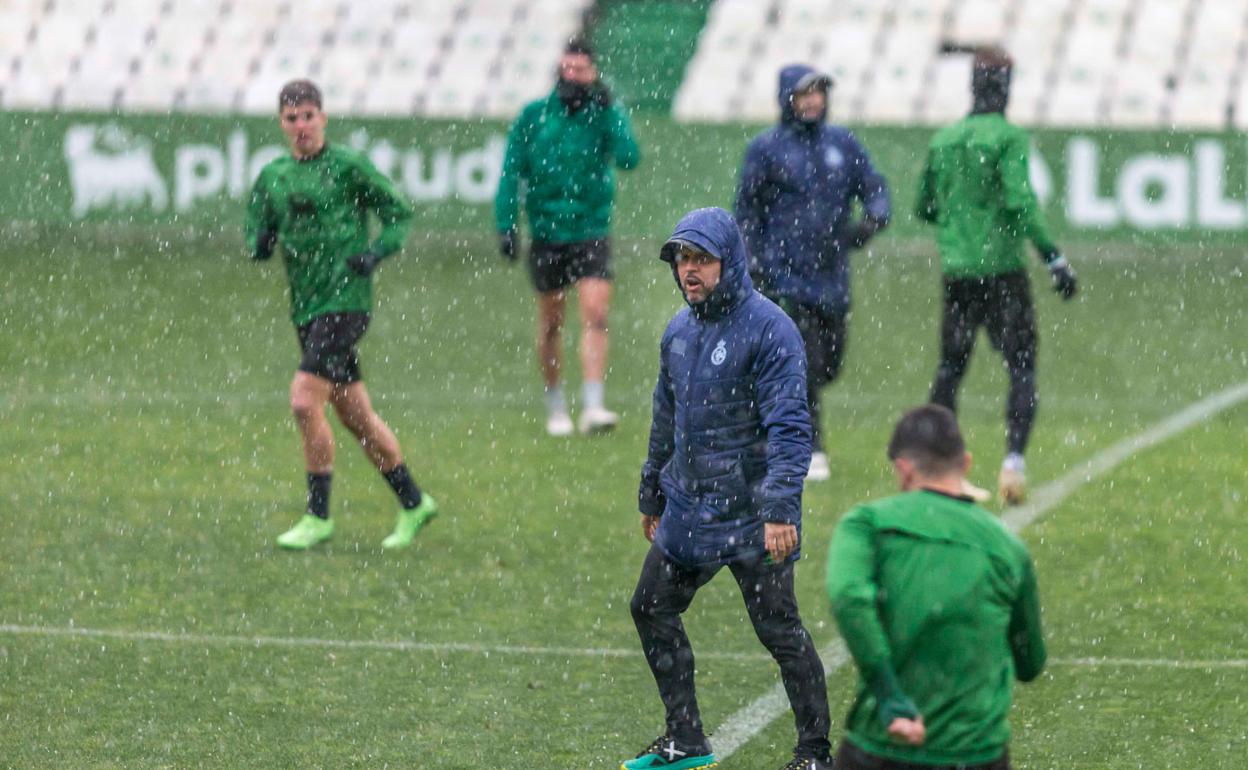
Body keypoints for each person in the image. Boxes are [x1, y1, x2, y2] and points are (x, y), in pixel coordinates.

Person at [624, 207, 832, 770]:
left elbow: (791, 429)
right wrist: (653, 493)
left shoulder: (770, 328)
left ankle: (814, 754)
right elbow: (664, 420)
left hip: (752, 515)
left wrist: (781, 509)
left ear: (729, 262)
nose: (689, 271)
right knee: (650, 606)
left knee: (779, 631)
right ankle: (685, 739)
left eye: (701, 259)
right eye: (682, 260)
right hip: (691, 509)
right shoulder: (677, 332)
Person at [245, 79, 437, 550]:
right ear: (281, 124)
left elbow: (398, 211)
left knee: (303, 402)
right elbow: (256, 229)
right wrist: (261, 242)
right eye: (292, 118)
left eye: (308, 116)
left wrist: (375, 254)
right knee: (357, 417)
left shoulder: (348, 167)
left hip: (346, 303)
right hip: (307, 308)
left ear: (323, 118)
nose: (301, 126)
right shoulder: (273, 176)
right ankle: (415, 502)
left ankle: (318, 517)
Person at [825, 404, 1046, 769]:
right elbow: (1031, 663)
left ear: (904, 468)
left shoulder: (866, 524)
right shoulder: (1008, 547)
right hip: (977, 754)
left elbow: (848, 597)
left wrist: (890, 696)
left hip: (882, 747)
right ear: (967, 463)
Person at [916, 47, 1078, 504]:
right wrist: (1054, 258)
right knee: (1022, 367)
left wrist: (959, 224)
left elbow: (923, 206)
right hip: (1003, 272)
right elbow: (1021, 203)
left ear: (972, 85)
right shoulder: (1008, 138)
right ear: (1006, 87)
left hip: (958, 273)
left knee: (950, 369)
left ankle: (935, 467)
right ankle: (1012, 463)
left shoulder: (944, 140)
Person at [735, 64, 891, 483]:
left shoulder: (842, 144)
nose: (812, 101)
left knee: (829, 366)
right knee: (802, 364)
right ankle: (812, 446)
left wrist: (874, 219)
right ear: (786, 98)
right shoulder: (765, 149)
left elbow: (874, 186)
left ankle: (768, 420)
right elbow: (747, 212)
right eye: (804, 93)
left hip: (832, 278)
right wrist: (752, 262)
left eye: (818, 93)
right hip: (784, 277)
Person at [494, 37, 641, 437]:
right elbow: (511, 172)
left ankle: (593, 404)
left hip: (590, 229)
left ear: (593, 74)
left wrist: (611, 112)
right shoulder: (534, 116)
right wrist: (505, 224)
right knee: (551, 323)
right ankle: (556, 403)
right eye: (567, 69)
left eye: (580, 70)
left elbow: (629, 158)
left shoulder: (603, 114)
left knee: (595, 315)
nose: (572, 76)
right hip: (547, 232)